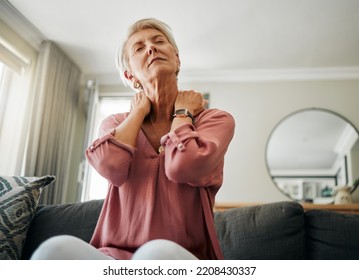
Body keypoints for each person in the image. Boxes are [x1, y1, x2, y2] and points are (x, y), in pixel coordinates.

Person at [31, 18, 235, 260]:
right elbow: (111, 167)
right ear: (130, 75)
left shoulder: (214, 120)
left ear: (177, 59)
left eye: (159, 41)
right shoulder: (115, 124)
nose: (151, 48)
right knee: (54, 250)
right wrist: (138, 111)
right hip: (113, 257)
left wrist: (182, 114)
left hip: (181, 257)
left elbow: (183, 167)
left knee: (154, 253)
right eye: (139, 48)